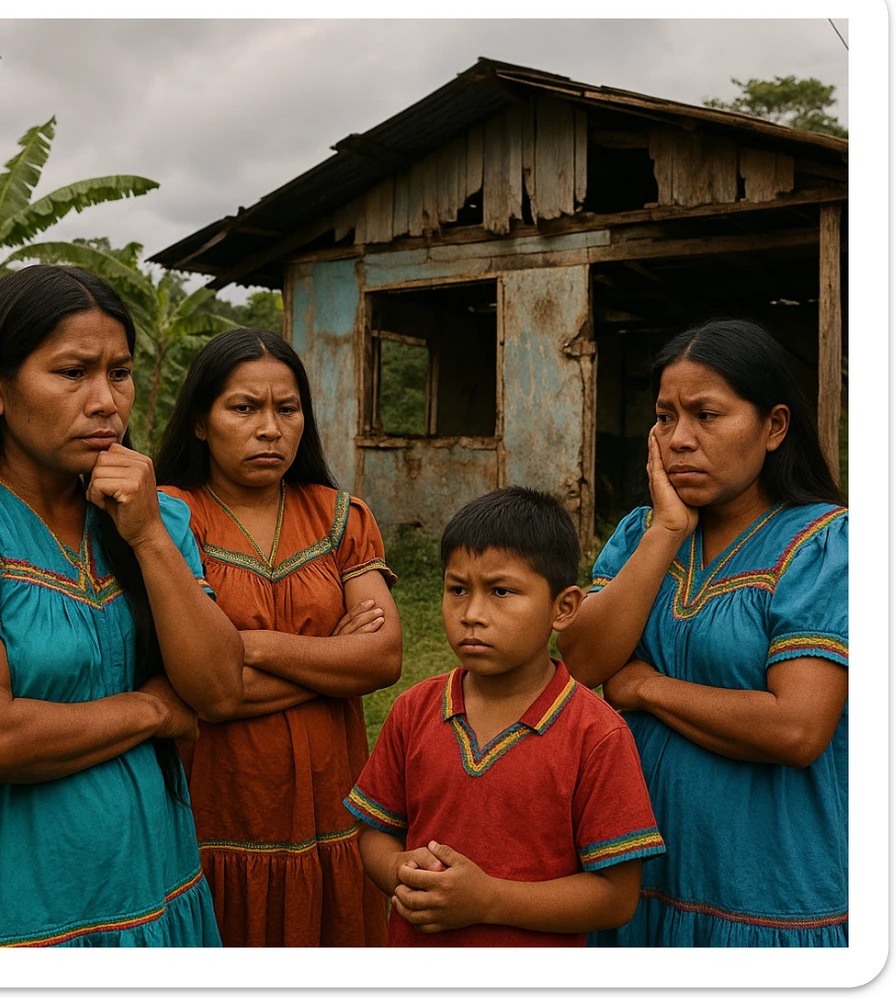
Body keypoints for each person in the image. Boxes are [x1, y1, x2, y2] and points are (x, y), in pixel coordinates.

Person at [0, 264, 244, 948]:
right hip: (12, 919)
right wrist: (153, 710)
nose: (105, 403)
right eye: (72, 373)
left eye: (119, 373)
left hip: (156, 892)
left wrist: (147, 536)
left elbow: (217, 690)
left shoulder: (155, 517)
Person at [557, 318, 849, 948]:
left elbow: (797, 728)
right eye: (665, 417)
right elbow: (581, 661)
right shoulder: (643, 534)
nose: (679, 439)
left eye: (706, 415)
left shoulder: (822, 546)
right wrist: (667, 532)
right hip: (634, 874)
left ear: (774, 427)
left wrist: (645, 688)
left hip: (764, 891)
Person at [154, 327, 402, 947]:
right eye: (244, 408)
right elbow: (202, 690)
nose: (270, 428)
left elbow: (382, 657)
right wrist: (332, 663)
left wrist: (250, 646)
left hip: (333, 810)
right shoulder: (169, 519)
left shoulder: (339, 515)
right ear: (200, 422)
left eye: (287, 409)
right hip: (215, 812)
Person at [344, 486, 666, 947]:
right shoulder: (414, 710)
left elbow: (616, 897)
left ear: (564, 608)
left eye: (501, 591)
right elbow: (375, 833)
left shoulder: (596, 734)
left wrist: (487, 900)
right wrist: (399, 869)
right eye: (458, 589)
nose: (472, 614)